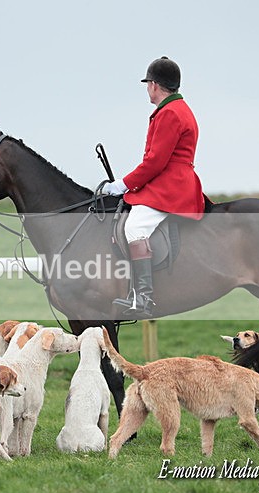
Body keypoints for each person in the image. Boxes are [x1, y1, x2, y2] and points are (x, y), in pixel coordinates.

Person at [104, 56, 205, 318]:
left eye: (148, 83)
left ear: (154, 85)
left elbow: (154, 162)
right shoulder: (177, 109)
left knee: (134, 227)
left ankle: (144, 299)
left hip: (171, 185)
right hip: (171, 180)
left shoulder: (170, 113)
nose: (147, 88)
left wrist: (123, 184)